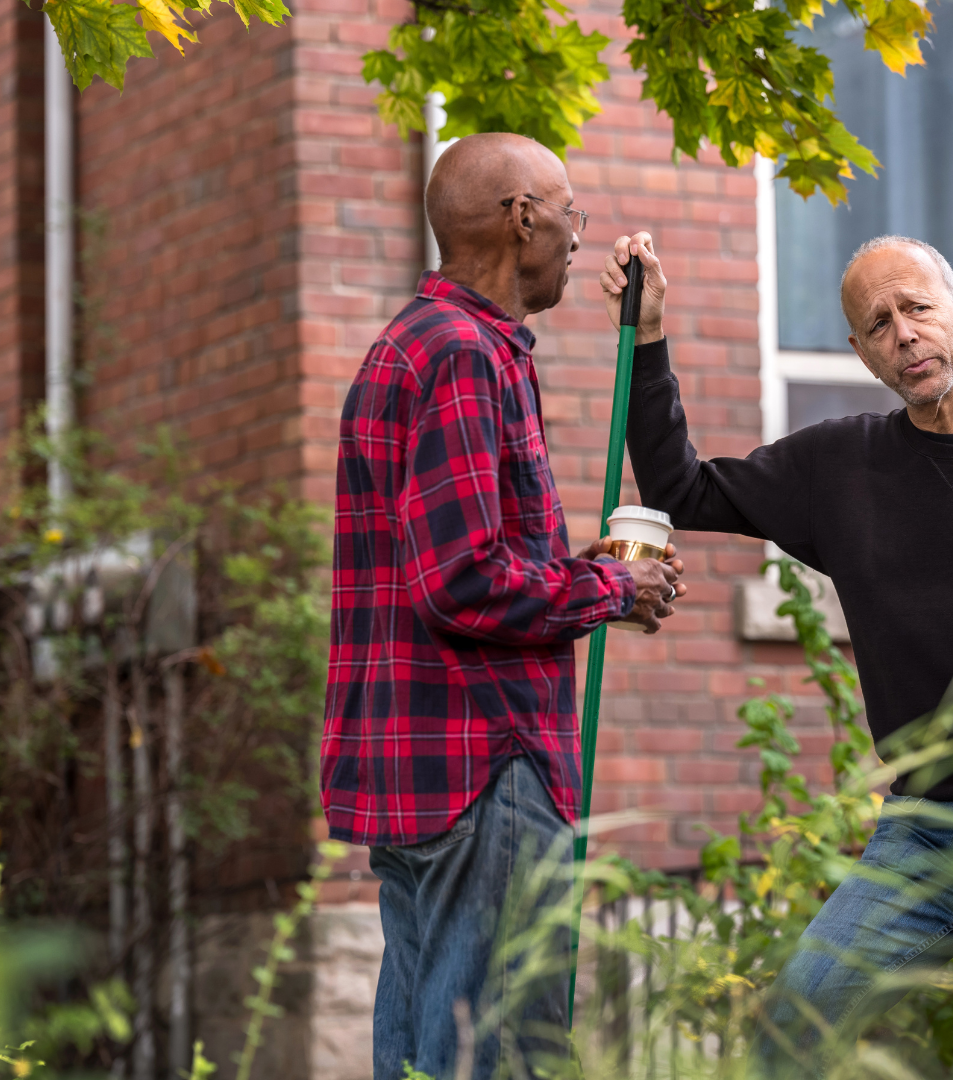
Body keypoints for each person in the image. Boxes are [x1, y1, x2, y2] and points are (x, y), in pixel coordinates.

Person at [601, 230, 953, 1070]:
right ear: (861, 353)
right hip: (930, 829)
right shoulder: (842, 464)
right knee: (794, 1027)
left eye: (917, 308)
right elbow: (682, 489)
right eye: (877, 324)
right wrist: (647, 338)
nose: (903, 333)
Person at [321, 132, 688, 1080]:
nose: (578, 233)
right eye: (570, 211)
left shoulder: (415, 344)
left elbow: (454, 565)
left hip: (422, 765)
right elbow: (463, 580)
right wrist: (610, 585)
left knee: (423, 1044)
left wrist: (586, 570)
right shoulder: (461, 353)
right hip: (483, 760)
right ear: (520, 216)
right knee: (503, 1049)